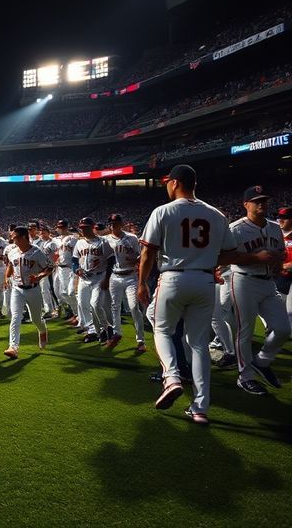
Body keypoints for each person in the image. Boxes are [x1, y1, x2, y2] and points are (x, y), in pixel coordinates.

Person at [136, 165, 264, 425]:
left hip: (173, 277)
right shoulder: (216, 214)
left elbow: (148, 253)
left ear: (175, 183)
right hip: (206, 280)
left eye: (167, 183)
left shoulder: (163, 211)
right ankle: (200, 408)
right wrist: (205, 258)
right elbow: (230, 254)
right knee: (199, 345)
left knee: (162, 330)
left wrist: (141, 284)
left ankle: (171, 378)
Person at [228, 186, 290, 396]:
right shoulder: (235, 229)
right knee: (245, 330)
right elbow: (224, 258)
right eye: (256, 201)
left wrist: (277, 261)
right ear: (246, 205)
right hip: (244, 281)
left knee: (283, 328)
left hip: (268, 282)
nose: (262, 203)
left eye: (264, 200)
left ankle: (261, 361)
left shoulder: (274, 228)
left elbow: (280, 252)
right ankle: (245, 377)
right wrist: (255, 258)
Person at [3, 226, 52, 358]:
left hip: (33, 289)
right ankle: (13, 347)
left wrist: (39, 276)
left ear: (24, 237)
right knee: (15, 317)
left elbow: (49, 268)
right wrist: (7, 277)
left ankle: (42, 330)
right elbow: (11, 266)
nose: (13, 240)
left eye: (15, 237)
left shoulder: (37, 252)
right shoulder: (12, 252)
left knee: (35, 319)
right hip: (17, 289)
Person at [105, 213, 146, 352]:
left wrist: (133, 257)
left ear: (121, 224)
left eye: (115, 223)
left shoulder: (132, 238)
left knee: (134, 307)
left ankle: (141, 341)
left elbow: (140, 257)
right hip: (114, 276)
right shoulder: (106, 240)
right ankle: (117, 333)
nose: (112, 226)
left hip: (130, 275)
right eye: (110, 224)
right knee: (114, 306)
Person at [73, 217, 114, 344]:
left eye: (86, 227)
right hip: (84, 278)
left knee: (95, 304)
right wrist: (76, 270)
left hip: (99, 276)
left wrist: (107, 278)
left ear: (93, 227)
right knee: (82, 303)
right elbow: (74, 260)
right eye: (82, 228)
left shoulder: (102, 242)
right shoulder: (79, 243)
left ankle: (106, 328)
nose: (83, 230)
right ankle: (92, 331)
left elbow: (111, 260)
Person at [53, 219, 79, 324]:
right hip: (60, 268)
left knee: (71, 292)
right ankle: (75, 313)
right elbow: (59, 253)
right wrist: (58, 258)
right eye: (59, 227)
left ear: (67, 227)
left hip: (70, 268)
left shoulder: (74, 239)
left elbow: (77, 253)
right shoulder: (56, 240)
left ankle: (79, 314)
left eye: (63, 227)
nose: (61, 229)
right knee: (61, 293)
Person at [278, 207, 292, 327]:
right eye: (279, 217)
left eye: (284, 218)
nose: (280, 220)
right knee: (278, 307)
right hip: (279, 277)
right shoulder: (276, 234)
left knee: (290, 310)